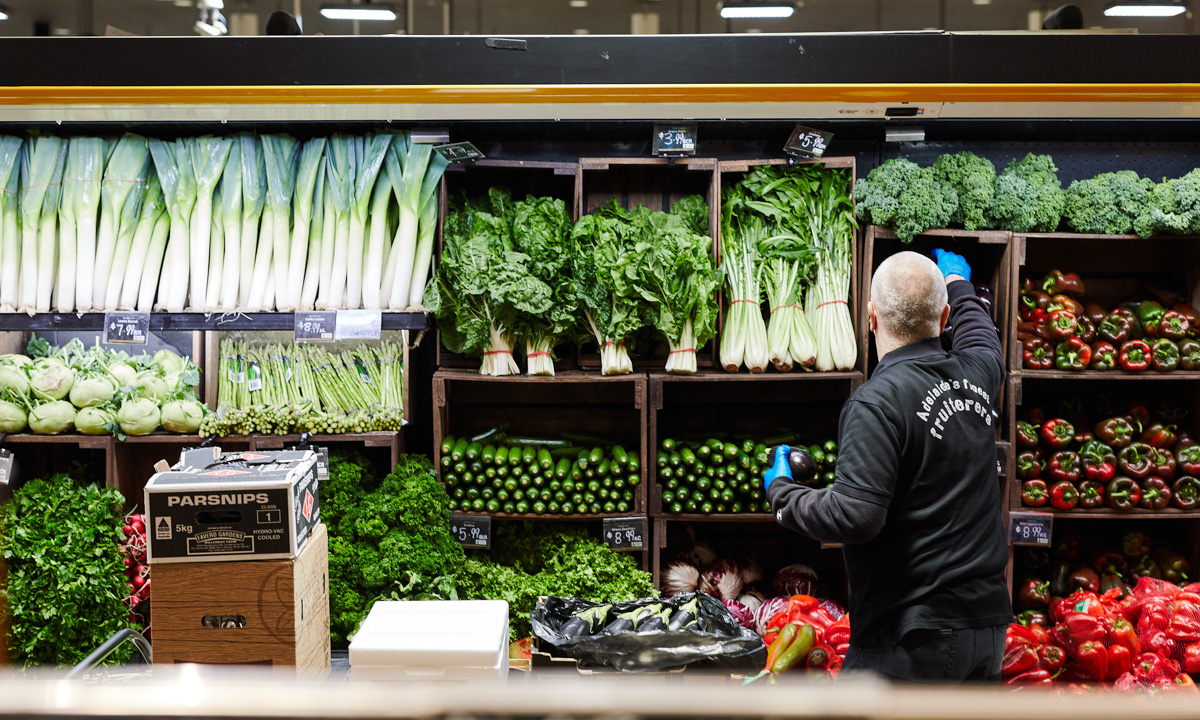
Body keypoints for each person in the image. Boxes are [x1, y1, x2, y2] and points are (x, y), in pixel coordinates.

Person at [764, 249, 1011, 683]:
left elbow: (856, 516)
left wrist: (782, 493)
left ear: (871, 317)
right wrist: (958, 283)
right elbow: (981, 336)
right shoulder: (979, 374)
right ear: (944, 316)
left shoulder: (877, 401)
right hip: (987, 629)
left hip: (912, 637)